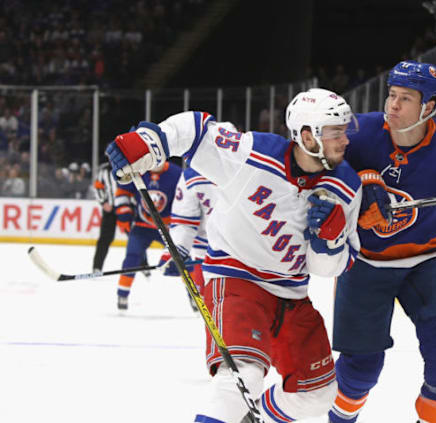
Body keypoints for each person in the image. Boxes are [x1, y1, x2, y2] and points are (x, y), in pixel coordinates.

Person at [105, 88, 362, 423]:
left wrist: (329, 243)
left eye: (344, 130)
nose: (345, 140)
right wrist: (151, 141)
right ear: (307, 135)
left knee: (317, 397)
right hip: (236, 279)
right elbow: (197, 130)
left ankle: (251, 417)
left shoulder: (346, 186)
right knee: (243, 376)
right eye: (335, 133)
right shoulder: (254, 154)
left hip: (292, 295)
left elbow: (330, 267)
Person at [328, 61, 436, 423]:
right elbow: (314, 164)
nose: (392, 105)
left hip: (430, 259)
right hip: (366, 261)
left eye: (405, 99)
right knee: (360, 370)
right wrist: (359, 180)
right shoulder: (358, 132)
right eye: (391, 95)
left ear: (429, 107)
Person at [113, 159, 182, 310]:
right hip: (142, 225)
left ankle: (196, 296)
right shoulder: (138, 171)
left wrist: (181, 222)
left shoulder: (177, 173)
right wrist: (124, 213)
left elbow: (186, 199)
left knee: (182, 259)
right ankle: (122, 294)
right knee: (132, 257)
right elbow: (123, 191)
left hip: (168, 227)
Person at [156, 163, 220, 312]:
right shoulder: (192, 175)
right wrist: (175, 252)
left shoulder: (256, 161)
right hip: (208, 259)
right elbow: (183, 222)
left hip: (259, 258)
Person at [92, 161, 117, 273]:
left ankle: (143, 266)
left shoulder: (128, 167)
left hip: (127, 208)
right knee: (105, 239)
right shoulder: (104, 171)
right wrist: (103, 202)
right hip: (110, 210)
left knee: (136, 237)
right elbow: (97, 187)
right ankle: (97, 267)